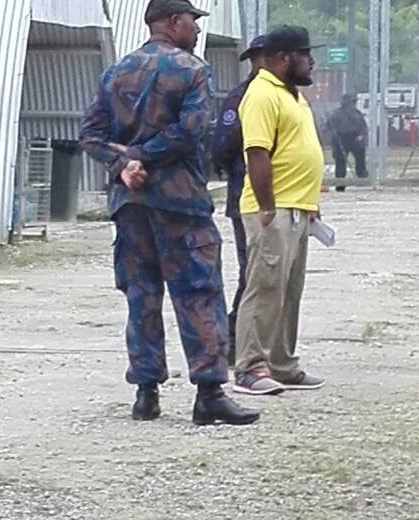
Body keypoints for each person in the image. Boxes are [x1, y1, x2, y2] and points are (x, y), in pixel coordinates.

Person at [79, 0, 259, 426]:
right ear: (172, 22)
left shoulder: (116, 72)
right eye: (192, 22)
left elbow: (89, 136)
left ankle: (146, 393)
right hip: (180, 204)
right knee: (198, 292)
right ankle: (209, 393)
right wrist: (143, 155)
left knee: (141, 295)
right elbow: (192, 129)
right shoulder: (191, 69)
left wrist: (124, 164)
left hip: (131, 203)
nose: (196, 30)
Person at [233, 25, 326, 395]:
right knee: (264, 288)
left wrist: (310, 204)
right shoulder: (261, 94)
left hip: (297, 207)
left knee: (289, 291)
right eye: (305, 54)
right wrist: (267, 206)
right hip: (271, 209)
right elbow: (257, 152)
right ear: (284, 58)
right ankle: (250, 368)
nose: (311, 61)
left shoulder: (291, 95)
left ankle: (282, 364)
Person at [210, 35, 266, 367]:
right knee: (252, 273)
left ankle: (251, 342)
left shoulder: (284, 95)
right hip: (245, 195)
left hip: (272, 197)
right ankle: (232, 341)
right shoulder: (242, 96)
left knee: (262, 274)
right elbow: (223, 144)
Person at [328, 93, 368, 192]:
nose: (353, 104)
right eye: (352, 102)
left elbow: (363, 127)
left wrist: (361, 136)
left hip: (355, 137)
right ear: (345, 103)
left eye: (354, 102)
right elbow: (329, 125)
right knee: (340, 162)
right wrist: (333, 131)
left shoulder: (357, 113)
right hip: (341, 138)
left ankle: (362, 176)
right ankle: (340, 184)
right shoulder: (337, 113)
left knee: (360, 156)